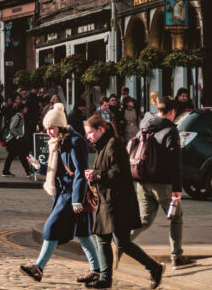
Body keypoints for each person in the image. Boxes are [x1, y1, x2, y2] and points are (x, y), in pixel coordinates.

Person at [19, 103, 99, 283]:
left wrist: (77, 199)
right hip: (65, 192)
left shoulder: (76, 141)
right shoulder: (59, 141)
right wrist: (40, 168)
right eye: (46, 128)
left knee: (51, 227)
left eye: (51, 128)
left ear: (61, 126)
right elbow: (61, 170)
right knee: (84, 234)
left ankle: (38, 268)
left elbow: (80, 171)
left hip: (72, 194)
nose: (48, 132)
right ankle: (97, 270)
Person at [84, 113, 165, 289]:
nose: (88, 136)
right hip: (107, 200)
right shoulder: (102, 145)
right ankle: (106, 279)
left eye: (90, 132)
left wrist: (96, 175)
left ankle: (154, 268)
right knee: (103, 238)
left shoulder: (113, 144)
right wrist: (94, 175)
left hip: (117, 202)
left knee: (121, 242)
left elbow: (118, 173)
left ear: (100, 129)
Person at [131, 96, 191, 270]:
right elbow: (175, 163)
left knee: (144, 220)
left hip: (141, 181)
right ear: (172, 112)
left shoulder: (144, 125)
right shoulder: (170, 130)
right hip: (163, 184)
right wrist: (177, 189)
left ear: (158, 109)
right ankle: (177, 257)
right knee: (176, 217)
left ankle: (120, 243)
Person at [3, 102, 32, 177]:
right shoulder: (18, 116)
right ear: (22, 109)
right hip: (16, 140)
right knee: (21, 155)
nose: (27, 109)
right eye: (25, 108)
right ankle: (28, 171)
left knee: (13, 156)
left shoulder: (21, 116)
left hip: (17, 140)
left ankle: (5, 171)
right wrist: (17, 136)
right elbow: (12, 127)